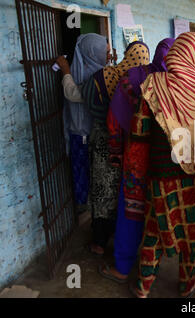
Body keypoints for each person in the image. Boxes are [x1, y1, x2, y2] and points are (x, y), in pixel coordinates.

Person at [130, 32, 195, 298]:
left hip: (161, 173)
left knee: (154, 230)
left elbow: (138, 130)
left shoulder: (154, 84)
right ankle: (187, 285)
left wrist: (137, 169)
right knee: (191, 230)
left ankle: (143, 287)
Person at [98, 38, 175, 283]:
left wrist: (116, 151)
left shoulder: (133, 78)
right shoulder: (180, 85)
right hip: (167, 161)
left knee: (131, 210)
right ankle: (153, 269)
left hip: (136, 157)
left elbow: (114, 119)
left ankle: (122, 267)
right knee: (160, 211)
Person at [89, 41, 150, 256]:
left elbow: (92, 105)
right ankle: (123, 239)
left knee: (102, 190)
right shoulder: (147, 79)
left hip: (106, 141)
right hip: (134, 145)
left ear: (126, 54)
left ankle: (99, 241)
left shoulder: (105, 76)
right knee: (123, 192)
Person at [57, 33, 108, 216]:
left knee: (92, 173)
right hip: (82, 132)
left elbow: (74, 93)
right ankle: (84, 207)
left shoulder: (97, 72)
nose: (108, 56)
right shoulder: (85, 72)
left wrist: (66, 72)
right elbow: (75, 94)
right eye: (105, 52)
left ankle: (91, 207)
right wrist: (67, 72)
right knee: (82, 172)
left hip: (93, 132)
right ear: (92, 53)